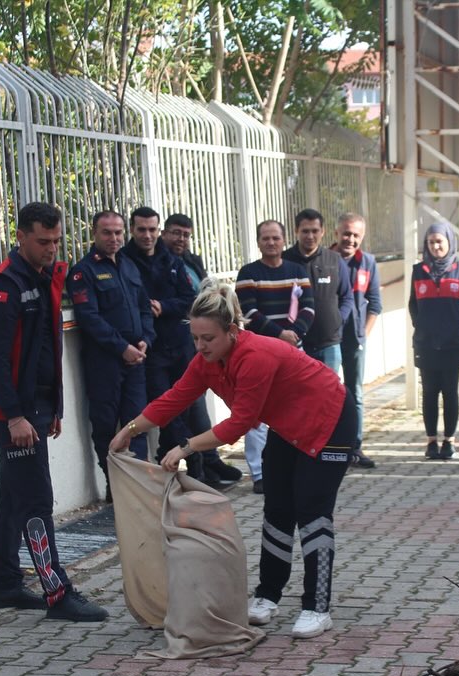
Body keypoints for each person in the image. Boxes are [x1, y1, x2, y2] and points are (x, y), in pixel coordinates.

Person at [109, 280, 357, 640]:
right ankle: (268, 595)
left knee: (311, 511)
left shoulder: (255, 356)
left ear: (232, 330)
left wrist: (186, 447)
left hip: (330, 420)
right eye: (195, 338)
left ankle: (317, 607)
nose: (200, 346)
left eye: (207, 338)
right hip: (289, 426)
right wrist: (130, 429)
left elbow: (238, 424)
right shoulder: (207, 361)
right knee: (277, 508)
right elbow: (174, 398)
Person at [0, 202, 107, 622]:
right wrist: (14, 416)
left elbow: (46, 349)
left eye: (57, 241)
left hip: (36, 407)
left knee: (13, 495)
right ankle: (56, 592)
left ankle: (6, 585)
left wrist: (53, 408)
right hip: (12, 411)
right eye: (43, 241)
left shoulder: (43, 277)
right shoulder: (4, 286)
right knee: (35, 499)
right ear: (22, 236)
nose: (51, 248)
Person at [67, 210, 155, 502]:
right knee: (105, 425)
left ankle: (138, 486)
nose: (114, 238)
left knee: (137, 424)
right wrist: (122, 348)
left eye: (118, 233)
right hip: (105, 361)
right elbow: (89, 318)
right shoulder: (83, 272)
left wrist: (145, 340)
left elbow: (144, 308)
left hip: (136, 360)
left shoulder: (129, 266)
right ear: (94, 233)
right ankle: (114, 487)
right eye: (107, 233)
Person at [157, 213, 244, 487]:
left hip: (195, 346)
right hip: (167, 347)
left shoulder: (192, 262)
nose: (180, 239)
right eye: (175, 233)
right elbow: (178, 302)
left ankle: (209, 460)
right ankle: (196, 463)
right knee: (176, 407)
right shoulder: (157, 262)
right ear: (164, 233)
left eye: (185, 234)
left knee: (198, 408)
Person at [235, 219, 317, 494]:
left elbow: (309, 307)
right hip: (261, 353)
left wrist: (294, 335)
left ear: (284, 240)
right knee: (257, 414)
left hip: (294, 351)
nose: (271, 243)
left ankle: (294, 467)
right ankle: (259, 474)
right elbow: (249, 313)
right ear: (258, 242)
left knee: (295, 410)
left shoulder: (296, 271)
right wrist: (279, 336)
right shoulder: (248, 273)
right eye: (265, 238)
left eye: (276, 238)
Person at [409, 223, 459, 460]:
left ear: (449, 242)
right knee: (429, 392)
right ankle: (431, 441)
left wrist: (456, 324)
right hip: (426, 343)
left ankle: (449, 440)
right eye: (431, 242)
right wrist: (422, 325)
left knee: (450, 392)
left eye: (440, 241)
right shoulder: (418, 271)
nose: (436, 246)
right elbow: (412, 304)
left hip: (452, 343)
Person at [332, 212, 383, 469]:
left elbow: (375, 303)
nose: (350, 239)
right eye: (346, 233)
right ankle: (328, 447)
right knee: (327, 394)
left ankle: (355, 446)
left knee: (356, 394)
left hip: (355, 339)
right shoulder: (325, 259)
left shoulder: (368, 263)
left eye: (356, 235)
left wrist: (364, 335)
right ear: (336, 233)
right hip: (327, 340)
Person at [282, 208, 355, 371]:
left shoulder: (334, 260)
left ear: (323, 232)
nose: (310, 236)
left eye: (315, 231)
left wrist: (338, 320)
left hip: (329, 344)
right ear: (296, 231)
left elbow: (347, 297)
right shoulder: (284, 261)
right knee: (300, 394)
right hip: (295, 344)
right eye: (305, 231)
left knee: (329, 393)